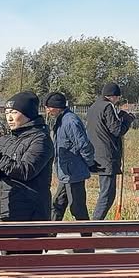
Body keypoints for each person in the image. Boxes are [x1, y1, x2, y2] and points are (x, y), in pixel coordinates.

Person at [0, 91, 54, 278]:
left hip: (31, 213)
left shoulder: (40, 140)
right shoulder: (6, 139)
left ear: (28, 114)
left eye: (14, 112)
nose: (9, 117)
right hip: (4, 209)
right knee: (7, 259)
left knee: (34, 262)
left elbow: (26, 170)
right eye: (7, 112)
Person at [45, 93, 98, 221]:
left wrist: (90, 163)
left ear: (57, 107)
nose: (47, 110)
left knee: (77, 208)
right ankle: (50, 235)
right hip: (66, 174)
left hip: (74, 173)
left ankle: (86, 236)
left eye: (49, 107)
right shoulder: (60, 120)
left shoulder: (70, 122)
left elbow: (83, 144)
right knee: (58, 204)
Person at [85, 83, 134, 220]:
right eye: (118, 98)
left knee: (104, 191)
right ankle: (96, 223)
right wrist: (127, 119)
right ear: (114, 96)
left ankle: (95, 222)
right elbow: (117, 130)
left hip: (95, 154)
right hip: (107, 155)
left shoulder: (93, 107)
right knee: (108, 194)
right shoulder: (108, 106)